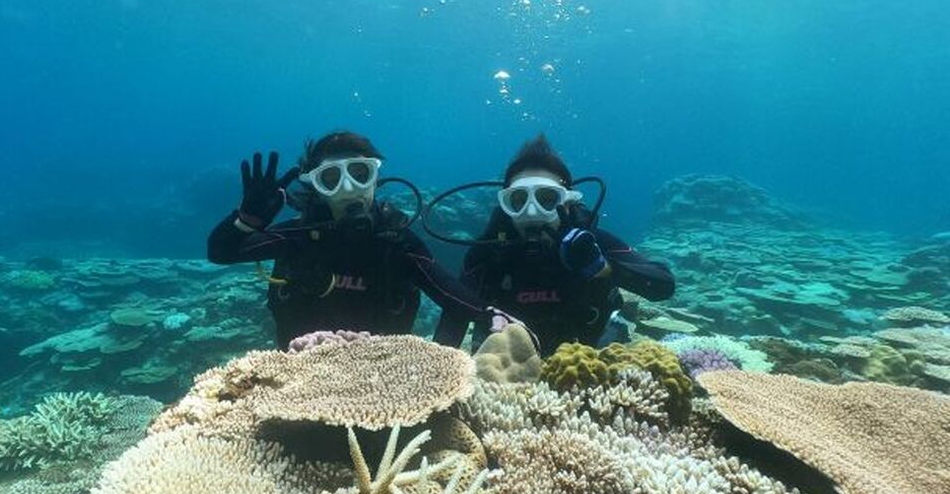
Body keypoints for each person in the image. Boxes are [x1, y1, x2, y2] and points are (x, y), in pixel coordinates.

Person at [207, 131, 498, 347]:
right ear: (316, 187)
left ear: (375, 178)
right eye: (331, 179)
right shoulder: (299, 235)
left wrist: (491, 316)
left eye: (360, 174)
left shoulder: (397, 243)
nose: (348, 188)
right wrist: (246, 221)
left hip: (381, 381)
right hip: (298, 378)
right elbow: (220, 252)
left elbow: (448, 292)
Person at [435, 135, 675, 354]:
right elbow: (455, 316)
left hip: (592, 359)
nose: (531, 212)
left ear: (568, 202)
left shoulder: (592, 242)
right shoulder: (487, 252)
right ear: (505, 206)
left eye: (547, 199)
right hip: (505, 364)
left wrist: (604, 268)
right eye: (518, 200)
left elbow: (663, 285)